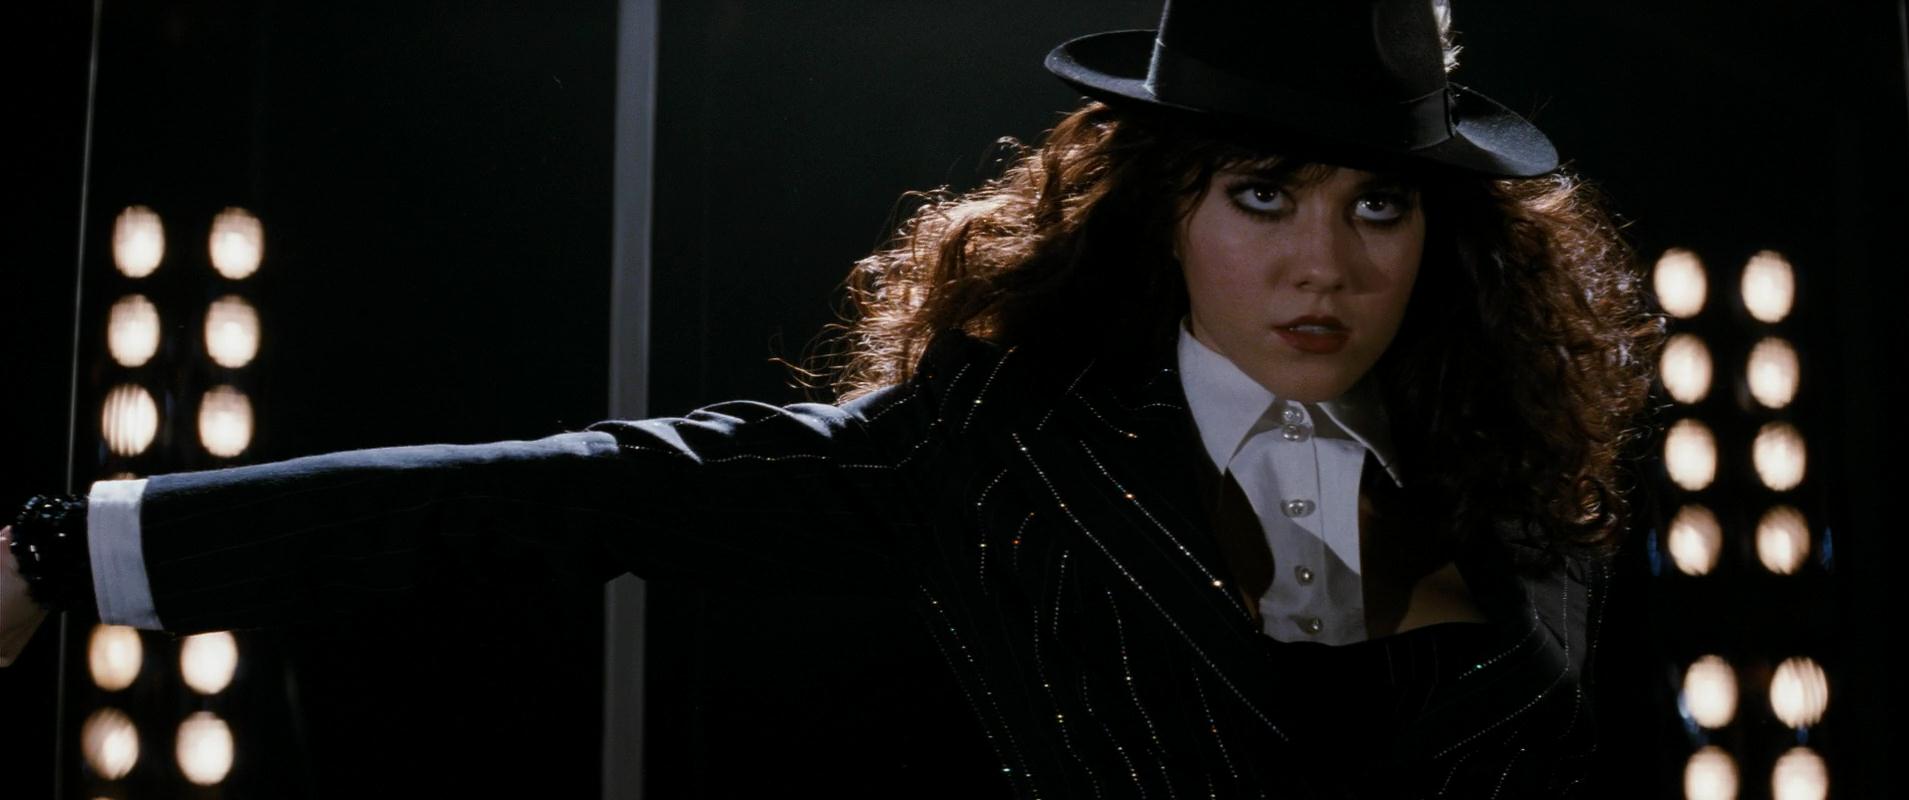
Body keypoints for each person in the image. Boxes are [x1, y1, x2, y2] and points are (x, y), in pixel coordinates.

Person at [3, 1, 1662, 796]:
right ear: (1163, 209)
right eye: (1263, 196)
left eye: (1380, 206)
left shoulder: (1525, 483)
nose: (1325, 265)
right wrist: (66, 550)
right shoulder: (994, 453)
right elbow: (560, 493)